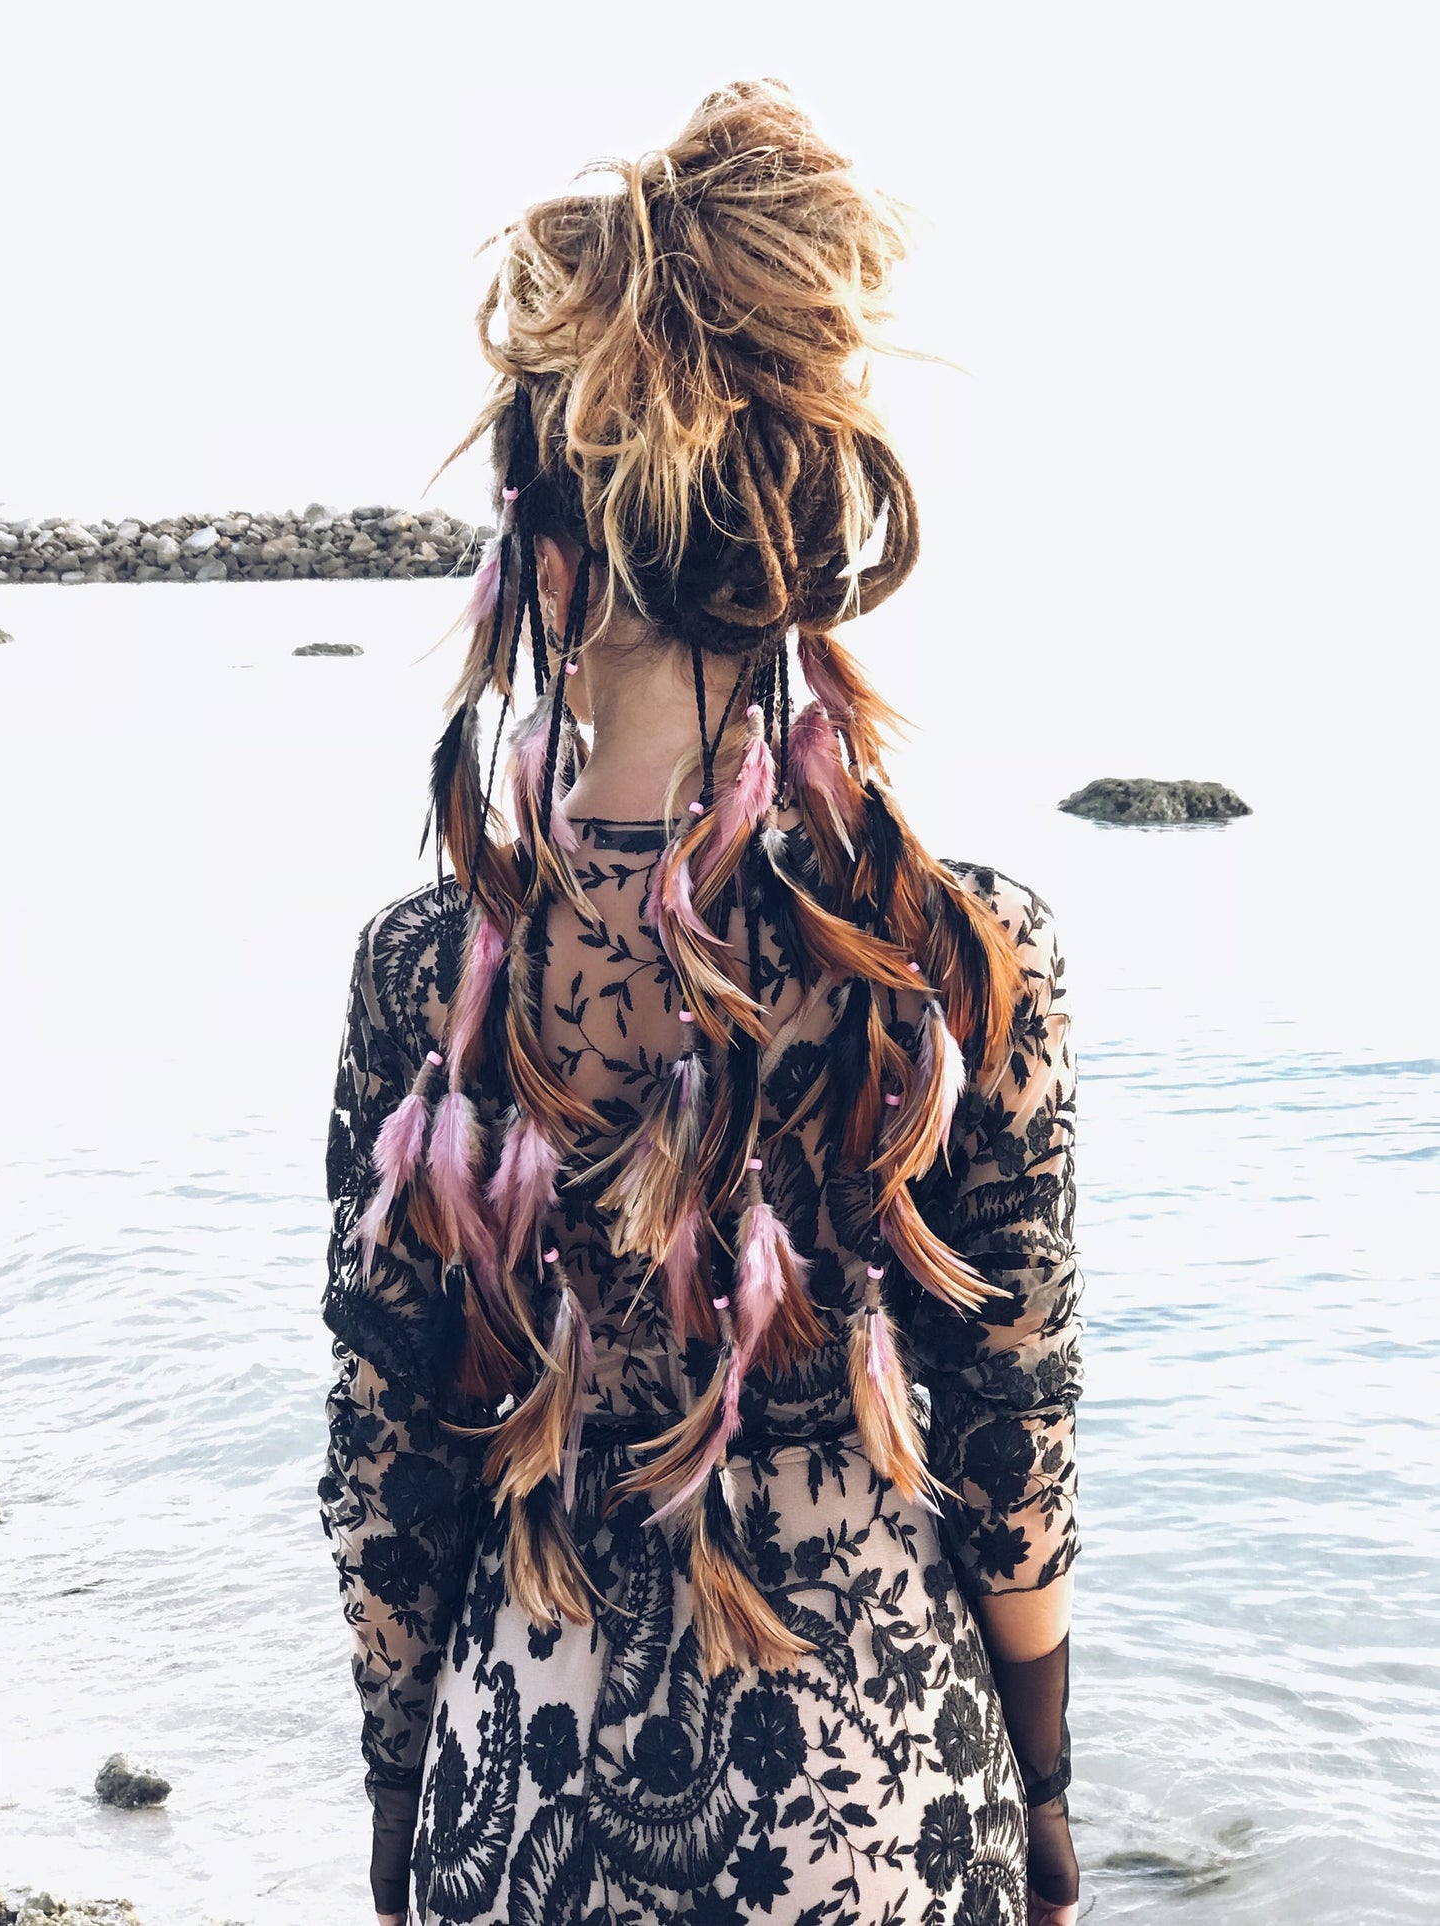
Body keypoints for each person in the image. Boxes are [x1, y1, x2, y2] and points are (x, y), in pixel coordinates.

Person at [319, 80, 1082, 1926]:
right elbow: (1010, 1451)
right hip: (875, 1790)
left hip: (533, 1769)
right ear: (798, 549)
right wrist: (1047, 1793)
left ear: (540, 561)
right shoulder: (960, 959)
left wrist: (402, 1784)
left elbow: (384, 1466)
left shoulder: (428, 982)